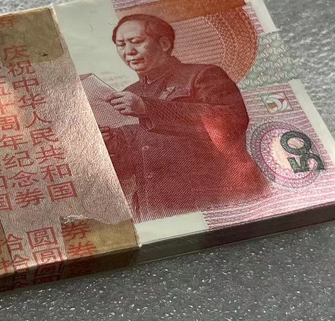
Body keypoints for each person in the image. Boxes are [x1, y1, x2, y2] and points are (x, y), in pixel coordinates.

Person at [100, 14, 267, 222]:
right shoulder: (131, 92)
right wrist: (113, 142)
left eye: (136, 41)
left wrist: (148, 108)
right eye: (121, 45)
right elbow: (137, 161)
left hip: (214, 200)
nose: (129, 51)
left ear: (164, 44)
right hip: (156, 208)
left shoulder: (203, 75)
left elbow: (231, 120)